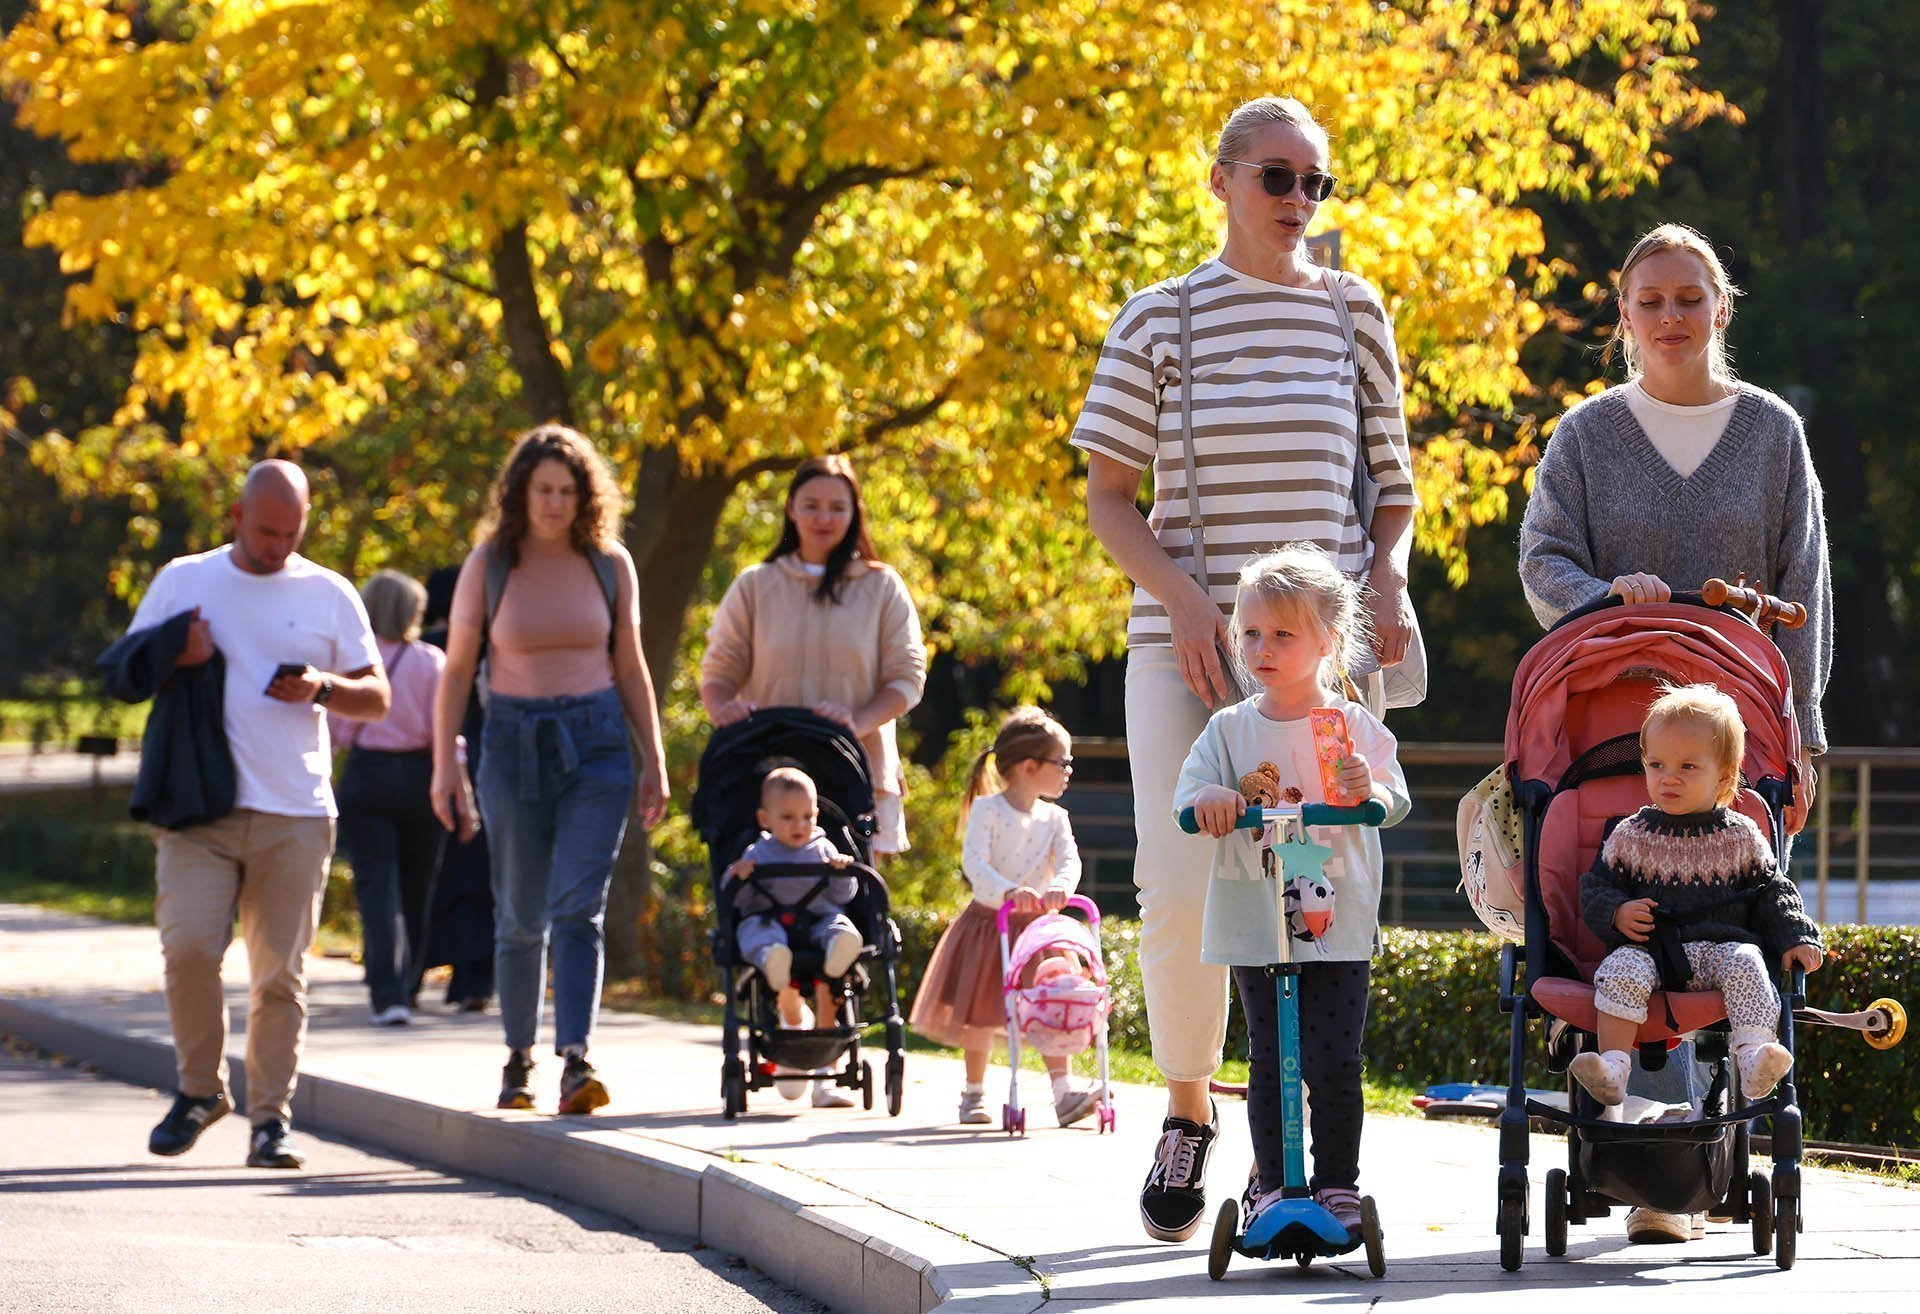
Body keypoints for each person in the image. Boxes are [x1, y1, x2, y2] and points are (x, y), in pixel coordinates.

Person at [1072, 94, 1417, 1241]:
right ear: (1218, 180)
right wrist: (1180, 596)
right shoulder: (1160, 318)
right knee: (1183, 880)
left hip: (1321, 662)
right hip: (1188, 654)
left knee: (1320, 891)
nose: (1298, 202)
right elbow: (1109, 497)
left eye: (1316, 183)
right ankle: (1185, 1108)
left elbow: (1393, 489)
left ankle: (1312, 1158)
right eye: (1277, 178)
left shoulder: (1353, 313)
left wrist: (1392, 586)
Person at [1519, 221, 1834, 1243]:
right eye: (1650, 300)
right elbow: (1544, 559)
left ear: (1722, 307)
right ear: (1623, 316)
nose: (1671, 317)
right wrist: (1605, 594)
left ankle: (1684, 1177)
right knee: (1639, 914)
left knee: (1727, 924)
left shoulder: (1773, 432)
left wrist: (1811, 735)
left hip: (1746, 732)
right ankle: (1658, 1175)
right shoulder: (1587, 436)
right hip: (1619, 728)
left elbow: (1805, 592)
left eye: (1689, 297)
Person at [119, 460, 390, 1169]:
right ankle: (200, 1091)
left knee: (278, 978)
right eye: (267, 531)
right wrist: (177, 652)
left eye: (291, 533)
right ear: (237, 518)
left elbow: (378, 697)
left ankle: (271, 1121)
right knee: (187, 949)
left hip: (294, 811)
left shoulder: (329, 592)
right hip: (198, 807)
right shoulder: (184, 578)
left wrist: (324, 687)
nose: (277, 546)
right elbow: (124, 670)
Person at [1171, 545, 1410, 1238]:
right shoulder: (1229, 729)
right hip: (1257, 919)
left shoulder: (1353, 727)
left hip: (1333, 916)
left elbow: (1391, 799)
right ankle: (1273, 1186)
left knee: (1334, 1058)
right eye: (1250, 633)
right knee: (1272, 1061)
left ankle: (1337, 1185)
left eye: (1283, 634)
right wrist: (1214, 798)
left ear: (1328, 643)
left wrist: (1370, 793)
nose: (1262, 648)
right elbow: (1189, 799)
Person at [429, 425, 669, 1115]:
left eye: (568, 491)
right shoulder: (491, 564)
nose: (555, 504)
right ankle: (517, 1059)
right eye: (543, 490)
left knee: (577, 907)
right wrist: (447, 761)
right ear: (520, 493)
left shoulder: (609, 564)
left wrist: (652, 756)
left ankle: (576, 1059)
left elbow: (630, 664)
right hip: (511, 740)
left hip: (596, 743)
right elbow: (456, 669)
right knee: (520, 913)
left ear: (585, 496)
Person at [1571, 685, 1824, 1110]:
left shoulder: (1741, 835)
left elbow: (1772, 890)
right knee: (1619, 968)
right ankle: (1613, 1066)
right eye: (1656, 764)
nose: (1668, 777)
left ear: (1723, 777)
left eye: (1688, 766)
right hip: (1650, 951)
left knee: (1749, 963)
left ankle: (1754, 1056)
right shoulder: (1631, 834)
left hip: (1720, 950)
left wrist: (1796, 934)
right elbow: (1596, 887)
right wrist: (1616, 912)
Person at [909, 707, 1103, 1129]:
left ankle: (1063, 1092)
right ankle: (973, 1092)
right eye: (1062, 762)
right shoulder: (988, 811)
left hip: (1038, 932)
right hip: (992, 923)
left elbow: (1069, 862)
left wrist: (1062, 888)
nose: (1068, 771)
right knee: (981, 1010)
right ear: (1030, 766)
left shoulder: (1056, 819)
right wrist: (1008, 892)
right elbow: (975, 863)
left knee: (1053, 1002)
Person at [331, 569, 446, 1027]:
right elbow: (445, 733)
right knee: (418, 886)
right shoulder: (431, 661)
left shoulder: (354, 665)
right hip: (420, 774)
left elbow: (337, 729)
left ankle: (387, 991)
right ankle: (410, 982)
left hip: (368, 773)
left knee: (377, 888)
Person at [725, 766, 865, 1110]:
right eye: (787, 817)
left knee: (838, 923)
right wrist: (739, 877)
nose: (799, 825)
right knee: (755, 929)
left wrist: (842, 872)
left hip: (817, 923)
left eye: (806, 816)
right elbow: (739, 904)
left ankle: (840, 947)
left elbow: (844, 894)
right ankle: (772, 958)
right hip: (773, 924)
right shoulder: (757, 853)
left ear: (816, 815)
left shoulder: (823, 848)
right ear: (765, 818)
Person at [417, 566, 495, 1012]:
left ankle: (410, 972)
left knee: (430, 876)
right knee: (479, 878)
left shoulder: (425, 649)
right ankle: (474, 980)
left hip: (430, 765)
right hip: (484, 764)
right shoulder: (489, 648)